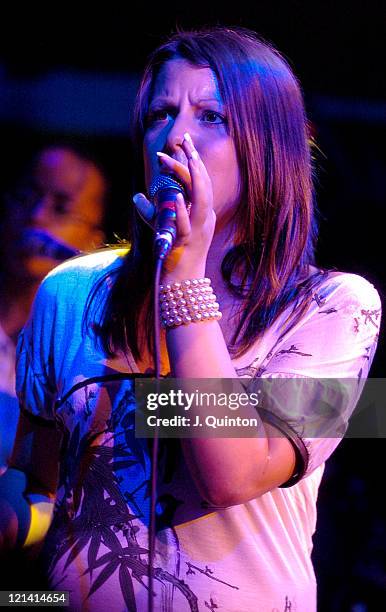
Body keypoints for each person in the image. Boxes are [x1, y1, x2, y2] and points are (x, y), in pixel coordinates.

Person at [0, 27, 381, 611]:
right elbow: (41, 493)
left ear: (268, 148)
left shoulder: (333, 309)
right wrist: (24, 591)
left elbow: (230, 472)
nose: (175, 136)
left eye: (211, 116)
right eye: (160, 113)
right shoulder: (70, 293)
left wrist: (183, 274)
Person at [0, 145, 107, 470]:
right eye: (25, 198)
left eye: (60, 208)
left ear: (92, 245)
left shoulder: (91, 352)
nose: (35, 216)